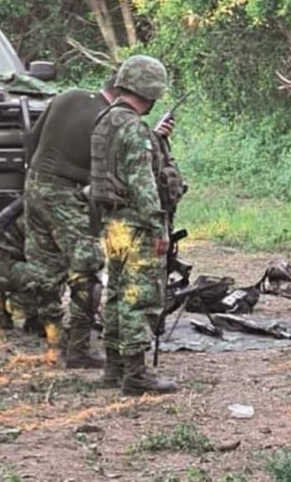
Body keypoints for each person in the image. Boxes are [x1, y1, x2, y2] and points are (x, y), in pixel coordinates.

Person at [90, 54, 177, 396]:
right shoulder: (133, 128)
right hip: (137, 223)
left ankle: (114, 368)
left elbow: (118, 165)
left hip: (113, 222)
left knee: (115, 293)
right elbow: (142, 183)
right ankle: (137, 375)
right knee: (138, 296)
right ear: (150, 91)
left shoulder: (106, 121)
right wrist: (158, 227)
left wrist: (155, 138)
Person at [22, 78, 117, 367]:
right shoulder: (110, 119)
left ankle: (48, 329)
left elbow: (32, 139)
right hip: (67, 193)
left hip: (35, 185)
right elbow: (110, 171)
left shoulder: (68, 96)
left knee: (44, 265)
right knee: (87, 268)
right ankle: (79, 349)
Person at [0, 212, 45, 338]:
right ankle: (11, 309)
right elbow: (42, 257)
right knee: (51, 276)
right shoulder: (38, 217)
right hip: (1, 266)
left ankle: (4, 315)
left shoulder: (30, 208)